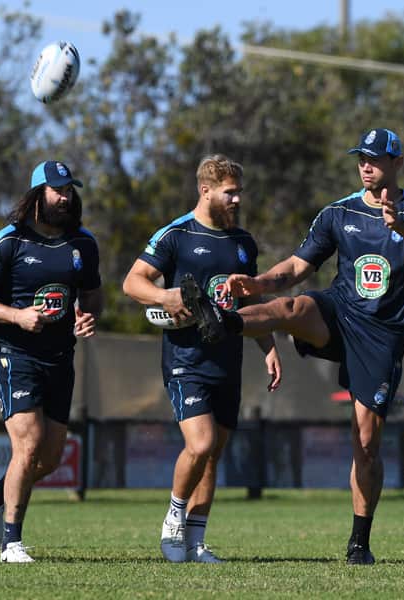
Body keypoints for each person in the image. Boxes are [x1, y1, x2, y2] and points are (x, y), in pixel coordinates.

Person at [193, 129, 404, 564]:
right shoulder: (338, 212)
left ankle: (359, 542)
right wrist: (256, 283)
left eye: (374, 158)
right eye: (361, 158)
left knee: (366, 442)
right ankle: (226, 321)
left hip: (382, 337)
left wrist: (403, 226)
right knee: (293, 306)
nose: (365, 165)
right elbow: (297, 265)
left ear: (397, 163)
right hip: (340, 314)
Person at [123, 154, 281, 563]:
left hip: (227, 360)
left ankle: (195, 543)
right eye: (230, 193)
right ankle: (173, 519)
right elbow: (132, 282)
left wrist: (269, 346)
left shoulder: (243, 243)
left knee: (213, 455)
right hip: (185, 359)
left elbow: (253, 300)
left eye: (239, 193)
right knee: (201, 442)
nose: (237, 201)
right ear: (205, 190)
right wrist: (163, 295)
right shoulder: (176, 235)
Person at [0, 160, 102, 563]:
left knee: (52, 458)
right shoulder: (8, 241)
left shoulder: (83, 243)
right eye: (58, 190)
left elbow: (93, 294)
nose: (66, 197)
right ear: (37, 194)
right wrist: (16, 316)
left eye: (69, 190)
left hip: (60, 356)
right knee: (28, 443)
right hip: (14, 354)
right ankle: (12, 542)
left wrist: (89, 314)